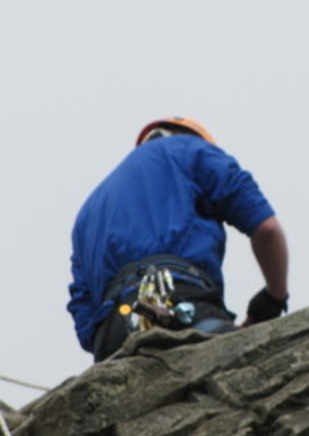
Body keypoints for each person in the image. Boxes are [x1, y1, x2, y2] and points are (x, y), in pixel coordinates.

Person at [67, 117, 289, 361]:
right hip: (182, 303)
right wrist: (274, 298)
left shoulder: (87, 214)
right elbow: (266, 228)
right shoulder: (191, 149)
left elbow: (84, 320)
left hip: (114, 335)